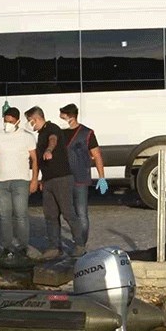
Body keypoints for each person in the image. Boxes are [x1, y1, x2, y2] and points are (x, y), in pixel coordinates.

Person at [25, 106, 85, 259]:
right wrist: (39, 179)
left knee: (68, 213)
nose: (29, 124)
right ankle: (54, 247)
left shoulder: (52, 128)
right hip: (48, 180)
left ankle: (79, 244)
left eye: (29, 121)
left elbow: (53, 140)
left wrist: (49, 150)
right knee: (50, 215)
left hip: (61, 178)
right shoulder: (40, 135)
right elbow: (38, 161)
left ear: (36, 119)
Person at [0, 107, 38, 261]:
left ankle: (22, 247)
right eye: (5, 121)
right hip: (1, 182)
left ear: (18, 121)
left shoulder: (27, 137)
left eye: (11, 122)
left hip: (21, 181)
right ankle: (7, 247)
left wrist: (34, 179)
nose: (7, 124)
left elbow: (34, 159)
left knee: (21, 215)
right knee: (4, 217)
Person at [59, 103, 107, 246]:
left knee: (81, 213)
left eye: (62, 116)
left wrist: (102, 177)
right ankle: (76, 240)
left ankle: (81, 244)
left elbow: (97, 155)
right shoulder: (60, 133)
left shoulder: (87, 133)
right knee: (68, 213)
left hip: (80, 179)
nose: (60, 119)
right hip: (64, 179)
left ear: (71, 117)